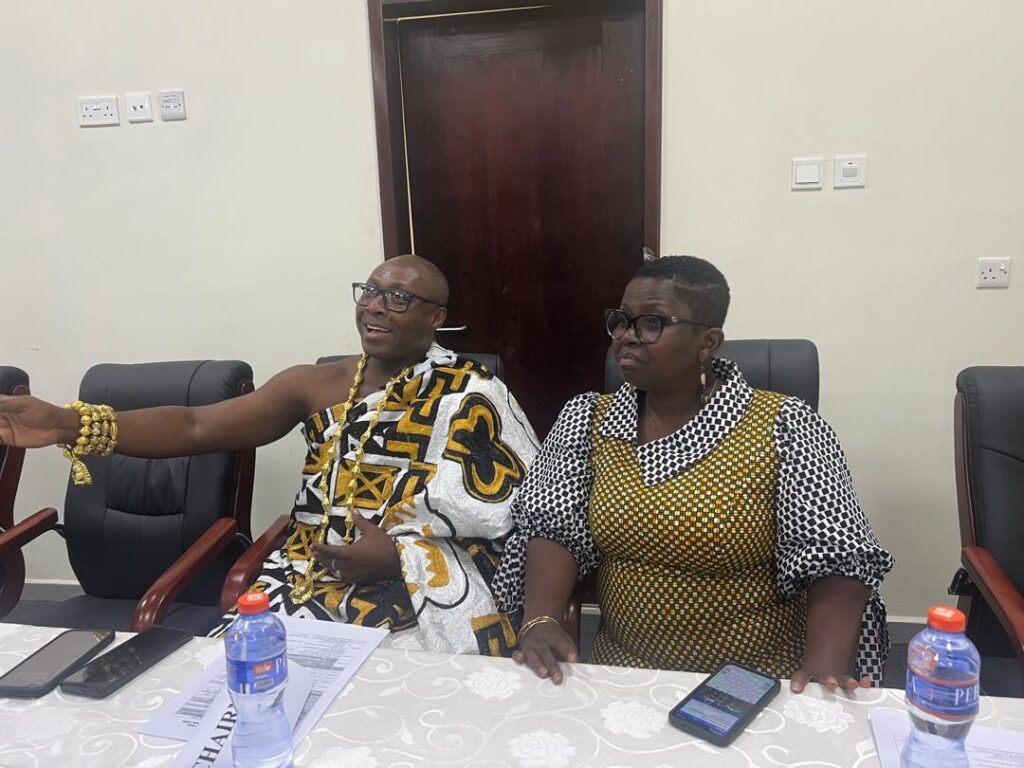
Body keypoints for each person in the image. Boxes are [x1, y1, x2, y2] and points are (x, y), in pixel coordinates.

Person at [0, 255, 539, 655]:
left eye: (398, 297)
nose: (376, 305)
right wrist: (69, 423)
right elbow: (196, 426)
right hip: (307, 573)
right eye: (370, 291)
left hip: (423, 586)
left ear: (436, 317)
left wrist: (400, 558)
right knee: (245, 689)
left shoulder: (474, 393)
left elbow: (514, 513)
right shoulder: (313, 384)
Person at [492, 255, 895, 692]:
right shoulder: (587, 418)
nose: (627, 337)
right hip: (623, 671)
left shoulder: (785, 425)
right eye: (622, 321)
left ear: (708, 342)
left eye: (652, 323)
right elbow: (552, 524)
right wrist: (542, 619)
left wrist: (822, 670)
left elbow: (836, 554)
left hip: (753, 678)